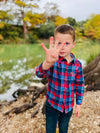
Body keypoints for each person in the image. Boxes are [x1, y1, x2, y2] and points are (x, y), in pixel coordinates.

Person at [35, 24, 85, 133]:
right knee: (50, 129)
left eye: (67, 43)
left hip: (68, 106)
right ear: (54, 44)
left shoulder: (77, 65)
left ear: (73, 44)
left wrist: (79, 104)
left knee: (64, 128)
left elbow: (80, 84)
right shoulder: (53, 60)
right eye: (59, 43)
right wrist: (47, 63)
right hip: (52, 104)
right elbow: (39, 73)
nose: (62, 47)